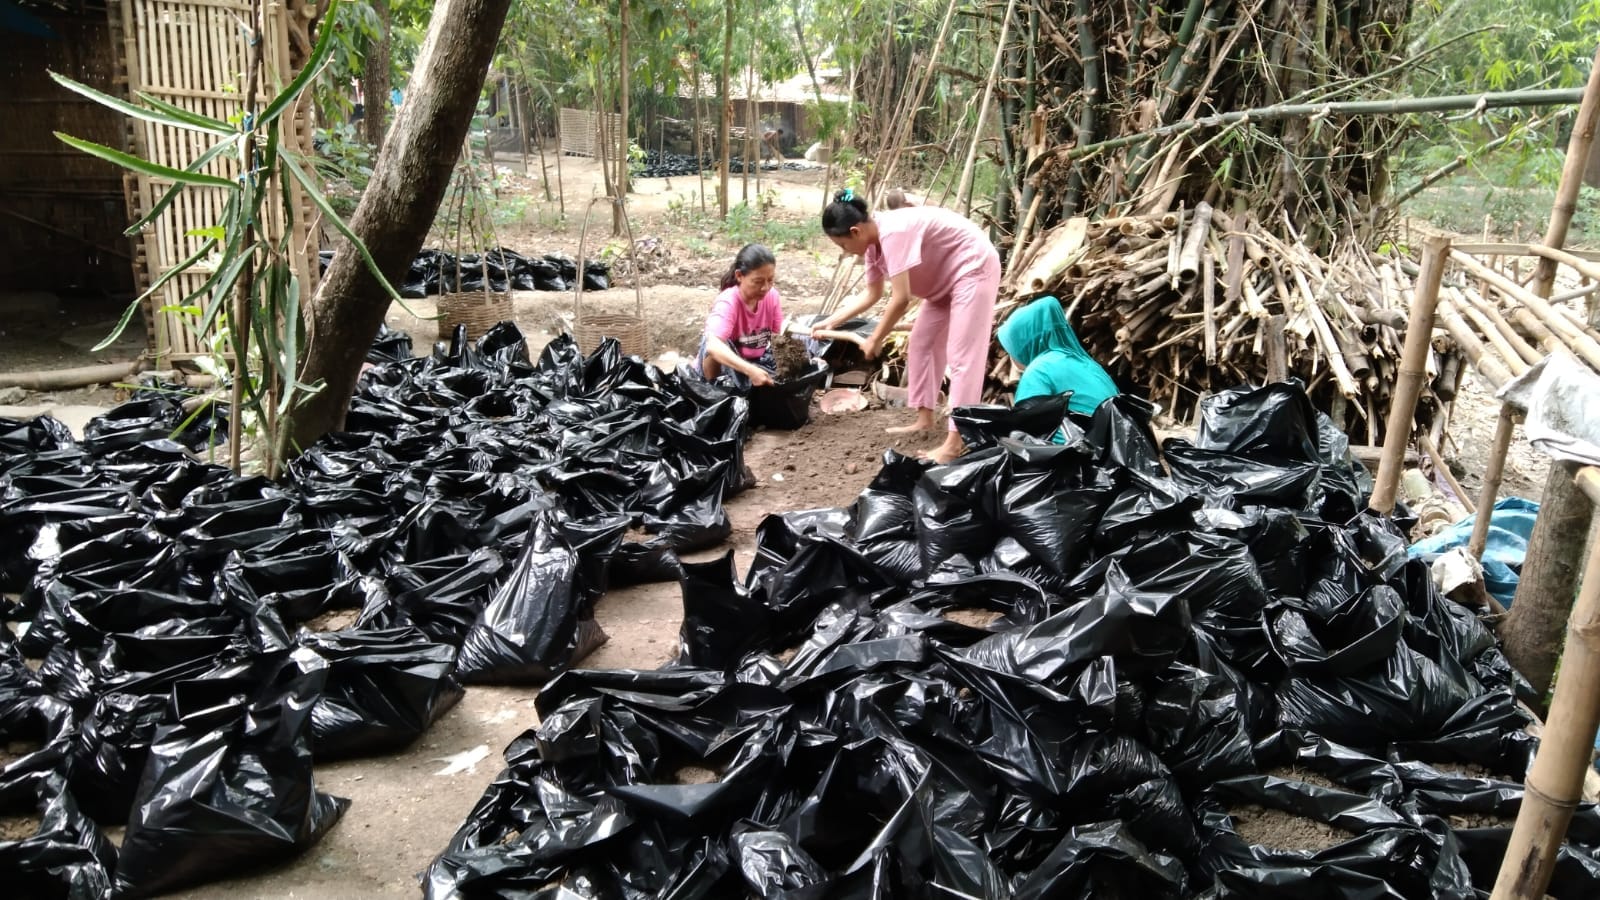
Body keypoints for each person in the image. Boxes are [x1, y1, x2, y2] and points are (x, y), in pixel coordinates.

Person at [815, 187, 1001, 463]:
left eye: (843, 245)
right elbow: (872, 294)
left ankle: (956, 441)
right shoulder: (872, 246)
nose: (846, 252)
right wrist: (831, 321)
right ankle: (924, 419)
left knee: (963, 357)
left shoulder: (893, 233)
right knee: (922, 344)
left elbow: (901, 299)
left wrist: (875, 338)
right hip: (943, 285)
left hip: (973, 268)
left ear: (855, 231)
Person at [997, 295, 1119, 437]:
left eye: (1011, 350)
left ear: (1024, 345)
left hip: (1077, 449)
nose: (1011, 357)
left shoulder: (1039, 371)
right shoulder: (1090, 366)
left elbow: (1027, 434)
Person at [699, 243, 782, 388]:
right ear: (739, 276)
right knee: (713, 344)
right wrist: (749, 370)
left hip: (754, 362)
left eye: (770, 280)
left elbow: (779, 338)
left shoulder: (772, 296)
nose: (765, 288)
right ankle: (716, 391)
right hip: (728, 367)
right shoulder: (728, 302)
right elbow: (712, 346)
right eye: (758, 282)